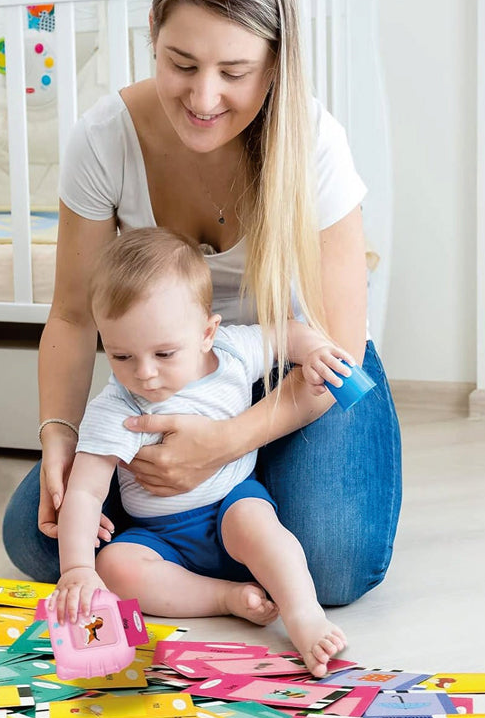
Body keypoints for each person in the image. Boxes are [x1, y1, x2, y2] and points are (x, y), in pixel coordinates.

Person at [3, 0, 402, 609]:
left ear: (273, 65)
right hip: (165, 379)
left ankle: (247, 490)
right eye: (181, 65)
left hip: (299, 374)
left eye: (234, 73)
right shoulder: (105, 139)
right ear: (153, 40)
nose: (204, 97)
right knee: (35, 540)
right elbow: (73, 316)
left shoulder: (313, 144)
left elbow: (338, 351)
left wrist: (222, 442)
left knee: (332, 570)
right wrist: (58, 434)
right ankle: (220, 546)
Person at [50, 227, 353, 677]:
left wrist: (313, 353)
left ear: (208, 332)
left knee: (262, 528)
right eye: (121, 357)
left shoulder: (233, 353)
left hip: (231, 504)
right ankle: (224, 597)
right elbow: (85, 493)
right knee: (115, 566)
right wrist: (76, 567)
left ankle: (304, 617)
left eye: (165, 353)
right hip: (159, 535)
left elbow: (287, 333)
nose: (145, 374)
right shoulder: (115, 407)